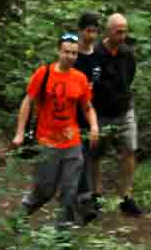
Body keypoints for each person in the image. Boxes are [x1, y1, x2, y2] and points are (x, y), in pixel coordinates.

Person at [13, 33, 99, 227]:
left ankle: (62, 234)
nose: (70, 57)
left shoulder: (80, 79)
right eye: (67, 52)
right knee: (45, 189)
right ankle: (21, 215)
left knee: (70, 190)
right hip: (47, 141)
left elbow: (87, 107)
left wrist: (94, 125)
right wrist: (19, 132)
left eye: (74, 54)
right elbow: (27, 102)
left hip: (72, 141)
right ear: (59, 51)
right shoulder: (43, 74)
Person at [82, 13, 142, 215]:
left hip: (125, 110)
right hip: (101, 112)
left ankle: (125, 196)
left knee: (130, 150)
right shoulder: (95, 53)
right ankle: (96, 194)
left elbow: (130, 77)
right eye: (119, 32)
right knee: (96, 153)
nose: (122, 36)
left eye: (125, 31)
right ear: (108, 31)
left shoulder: (128, 53)